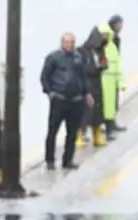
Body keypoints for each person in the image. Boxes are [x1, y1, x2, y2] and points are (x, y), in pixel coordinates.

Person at [40, 32, 94, 170]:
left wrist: (87, 93)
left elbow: (83, 77)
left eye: (72, 42)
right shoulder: (53, 58)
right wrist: (50, 93)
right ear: (62, 43)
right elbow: (44, 77)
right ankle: (50, 160)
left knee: (72, 132)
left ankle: (68, 159)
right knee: (53, 131)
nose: (70, 45)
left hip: (76, 101)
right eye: (67, 42)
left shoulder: (78, 57)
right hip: (59, 100)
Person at [75, 27, 108, 149]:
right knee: (85, 112)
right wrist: (95, 67)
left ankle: (97, 135)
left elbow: (104, 62)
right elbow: (83, 68)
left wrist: (103, 65)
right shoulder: (82, 51)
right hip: (86, 85)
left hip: (97, 83)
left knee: (98, 112)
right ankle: (79, 135)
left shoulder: (100, 51)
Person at [98, 15, 127, 139]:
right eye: (119, 24)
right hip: (106, 77)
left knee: (114, 102)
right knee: (108, 104)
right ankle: (108, 128)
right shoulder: (107, 39)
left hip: (113, 75)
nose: (121, 27)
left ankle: (112, 124)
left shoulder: (116, 38)